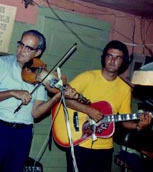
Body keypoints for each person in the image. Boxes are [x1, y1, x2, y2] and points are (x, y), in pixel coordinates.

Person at [0, 29, 79, 172]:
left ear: (37, 52)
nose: (21, 50)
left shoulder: (41, 74)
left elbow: (36, 113)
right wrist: (12, 92)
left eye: (28, 48)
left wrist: (57, 96)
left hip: (22, 134)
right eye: (20, 45)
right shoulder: (2, 63)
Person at [64, 40, 152, 172]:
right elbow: (64, 99)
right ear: (104, 58)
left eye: (118, 57)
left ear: (123, 62)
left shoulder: (124, 89)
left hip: (104, 148)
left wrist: (139, 125)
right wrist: (88, 110)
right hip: (79, 141)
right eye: (109, 56)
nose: (112, 60)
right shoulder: (88, 77)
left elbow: (125, 122)